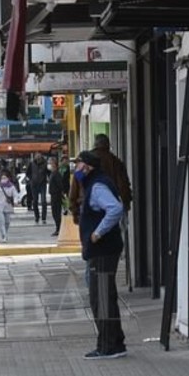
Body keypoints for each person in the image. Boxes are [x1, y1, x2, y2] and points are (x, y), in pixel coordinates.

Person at [73, 151, 127, 359]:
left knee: (101, 297)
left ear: (87, 167)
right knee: (106, 296)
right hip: (104, 250)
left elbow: (115, 209)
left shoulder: (97, 186)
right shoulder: (96, 183)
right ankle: (115, 341)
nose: (76, 170)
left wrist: (97, 233)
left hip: (103, 250)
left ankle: (108, 346)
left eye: (78, 165)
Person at [92, 133, 133, 213]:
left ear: (95, 145)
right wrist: (126, 203)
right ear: (108, 145)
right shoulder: (116, 163)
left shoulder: (85, 162)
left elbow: (77, 185)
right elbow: (123, 185)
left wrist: (76, 210)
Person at [0, 170, 18, 242]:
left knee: (7, 222)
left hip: (8, 207)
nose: (3, 179)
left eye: (5, 178)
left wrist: (15, 201)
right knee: (2, 221)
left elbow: (15, 194)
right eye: (2, 178)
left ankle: (5, 232)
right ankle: (4, 236)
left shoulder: (11, 187)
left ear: (8, 178)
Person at [27, 154, 49, 224]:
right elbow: (28, 173)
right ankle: (37, 217)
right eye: (37, 159)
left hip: (42, 184)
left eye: (39, 158)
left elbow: (48, 172)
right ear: (35, 159)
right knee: (35, 201)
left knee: (43, 201)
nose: (38, 160)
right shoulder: (31, 164)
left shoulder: (45, 164)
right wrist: (31, 179)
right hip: (34, 184)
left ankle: (43, 218)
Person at [47, 156, 67, 236]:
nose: (49, 165)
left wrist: (61, 194)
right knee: (54, 213)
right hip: (53, 195)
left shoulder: (56, 174)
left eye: (50, 163)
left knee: (56, 213)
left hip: (56, 196)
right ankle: (58, 228)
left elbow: (60, 185)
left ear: (54, 164)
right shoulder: (53, 173)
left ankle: (59, 229)